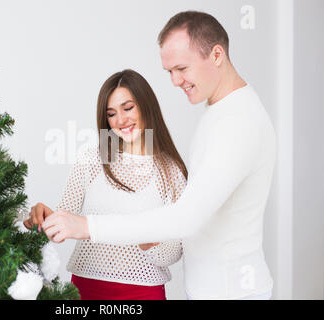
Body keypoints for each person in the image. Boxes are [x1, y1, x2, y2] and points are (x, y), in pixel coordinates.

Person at [37, 11, 276, 300]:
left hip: (229, 292)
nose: (175, 81)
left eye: (181, 68)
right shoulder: (218, 112)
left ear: (216, 55)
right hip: (206, 289)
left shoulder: (238, 122)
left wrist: (89, 226)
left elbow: (186, 219)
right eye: (169, 72)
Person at [25, 69, 188, 300]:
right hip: (88, 287)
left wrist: (145, 240)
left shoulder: (170, 172)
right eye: (111, 114)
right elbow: (66, 220)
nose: (120, 120)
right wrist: (44, 218)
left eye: (128, 108)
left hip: (142, 293)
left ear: (146, 106)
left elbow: (174, 252)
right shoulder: (91, 159)